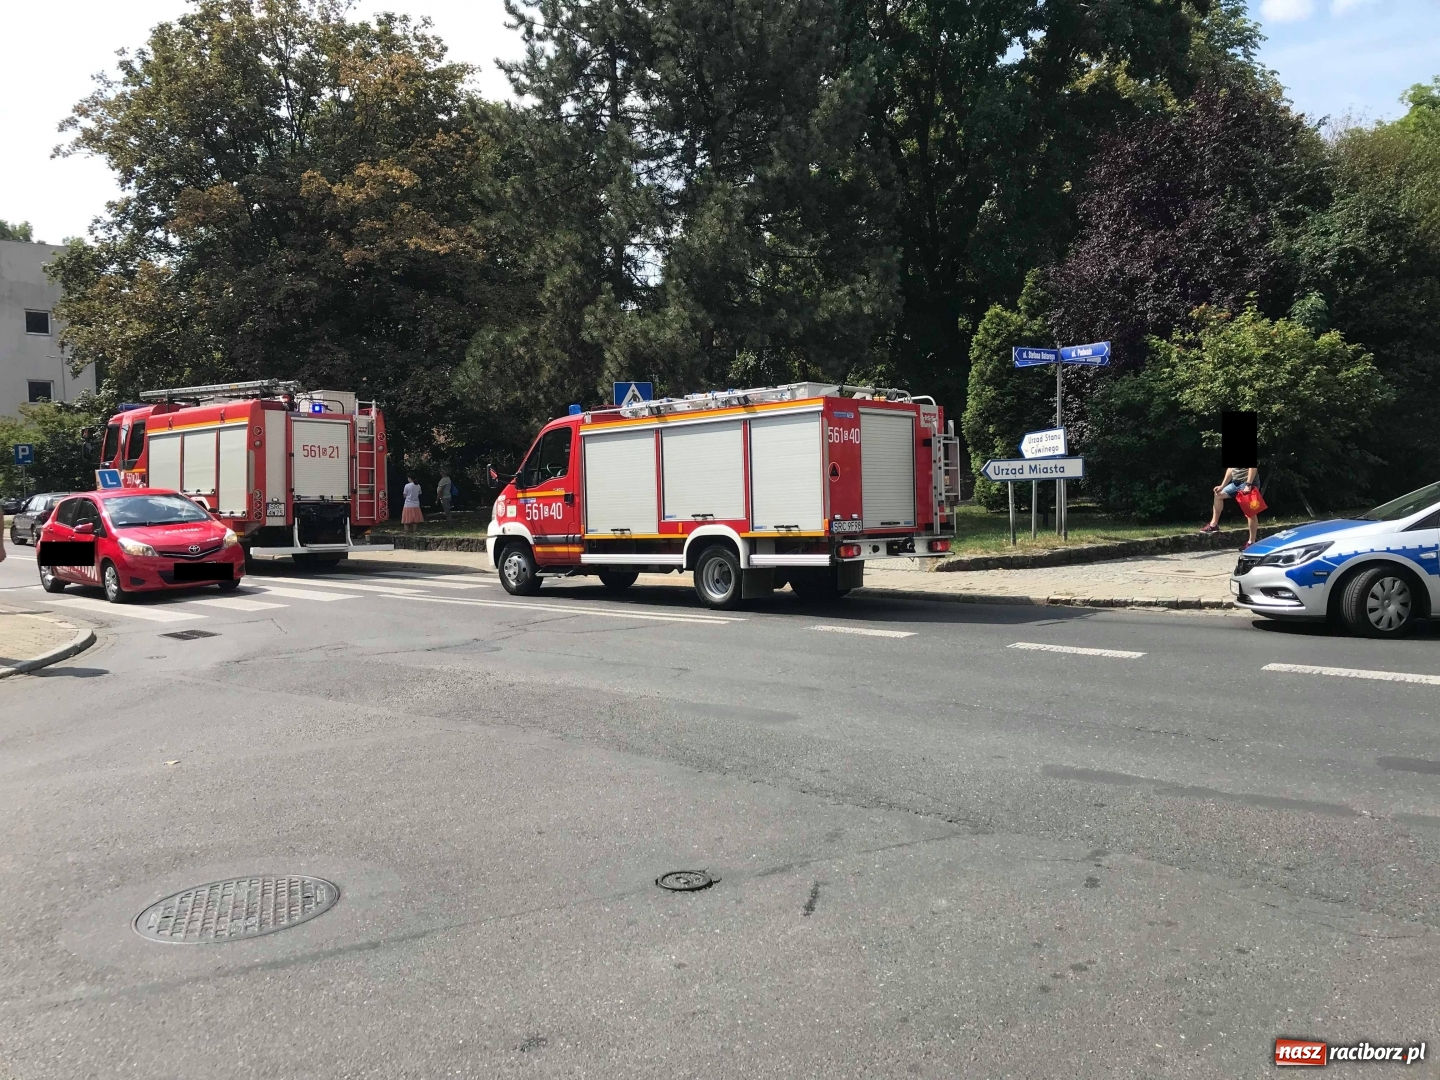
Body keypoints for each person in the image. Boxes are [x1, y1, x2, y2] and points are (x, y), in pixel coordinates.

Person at [1201, 465, 1259, 547]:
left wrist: (1248, 484)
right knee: (1218, 494)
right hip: (1236, 483)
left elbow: (1252, 468)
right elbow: (1230, 469)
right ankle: (1213, 525)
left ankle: (1251, 542)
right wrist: (1222, 485)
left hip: (1248, 484)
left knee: (1250, 512)